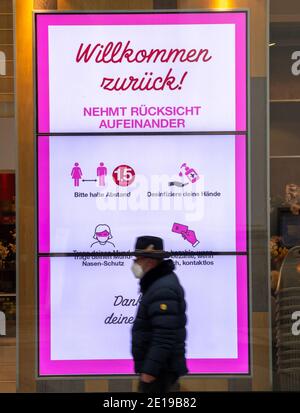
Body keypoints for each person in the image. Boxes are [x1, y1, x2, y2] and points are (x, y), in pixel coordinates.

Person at [131, 236, 188, 393]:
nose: (134, 264)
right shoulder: (157, 283)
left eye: (137, 259)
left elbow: (164, 335)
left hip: (160, 372)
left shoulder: (162, 288)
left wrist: (150, 370)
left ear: (150, 261)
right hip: (159, 369)